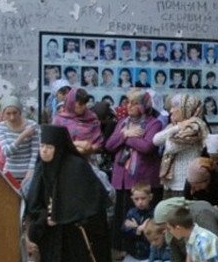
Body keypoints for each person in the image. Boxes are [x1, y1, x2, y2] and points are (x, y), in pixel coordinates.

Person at [23, 125, 114, 262]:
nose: (45, 150)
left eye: (49, 146)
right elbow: (34, 203)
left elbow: (92, 202)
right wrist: (44, 219)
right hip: (51, 231)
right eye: (42, 146)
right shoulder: (41, 168)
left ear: (59, 147)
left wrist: (65, 216)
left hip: (75, 232)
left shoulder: (76, 167)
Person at [104, 89, 163, 245]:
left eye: (134, 103)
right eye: (128, 102)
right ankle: (121, 247)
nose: (129, 106)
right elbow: (109, 145)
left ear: (144, 105)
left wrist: (125, 137)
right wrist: (126, 134)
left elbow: (147, 147)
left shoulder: (153, 123)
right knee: (121, 215)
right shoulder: (122, 123)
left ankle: (138, 249)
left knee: (139, 215)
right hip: (121, 177)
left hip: (140, 178)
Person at [153, 93, 209, 199]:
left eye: (175, 107)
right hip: (170, 183)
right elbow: (156, 140)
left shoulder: (195, 127)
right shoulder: (176, 126)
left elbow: (170, 147)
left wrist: (170, 133)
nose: (171, 111)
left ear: (185, 109)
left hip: (183, 184)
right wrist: (177, 127)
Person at [116, 184, 156, 262]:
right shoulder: (131, 212)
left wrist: (136, 228)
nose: (140, 202)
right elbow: (124, 230)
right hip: (133, 254)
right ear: (132, 199)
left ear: (150, 197)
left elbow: (152, 234)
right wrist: (139, 229)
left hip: (146, 255)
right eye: (136, 199)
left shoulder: (153, 214)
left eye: (143, 198)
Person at [0, 99, 39, 189]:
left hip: (28, 173)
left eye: (15, 113)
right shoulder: (1, 127)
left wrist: (31, 169)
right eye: (8, 114)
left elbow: (35, 151)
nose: (12, 117)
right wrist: (23, 135)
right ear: (3, 114)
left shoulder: (32, 125)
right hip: (10, 173)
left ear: (20, 112)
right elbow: (7, 151)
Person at [53, 88, 104, 155]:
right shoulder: (59, 120)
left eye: (85, 104)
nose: (83, 107)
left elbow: (99, 142)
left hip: (87, 160)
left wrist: (90, 149)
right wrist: (77, 145)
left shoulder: (91, 118)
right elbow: (54, 142)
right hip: (66, 160)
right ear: (71, 103)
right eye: (80, 104)